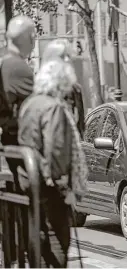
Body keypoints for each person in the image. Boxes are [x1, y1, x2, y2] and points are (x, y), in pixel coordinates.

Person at [17, 59, 89, 267]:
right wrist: (63, 186)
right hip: (48, 185)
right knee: (57, 236)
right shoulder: (53, 108)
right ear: (59, 84)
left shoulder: (30, 103)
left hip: (29, 181)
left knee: (39, 236)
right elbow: (55, 149)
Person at [0, 15, 35, 264]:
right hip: (18, 156)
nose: (35, 40)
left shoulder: (5, 62)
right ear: (25, 38)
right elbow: (40, 107)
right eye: (33, 35)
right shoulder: (17, 67)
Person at [41, 39, 85, 137]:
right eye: (61, 57)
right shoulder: (41, 93)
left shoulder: (76, 90)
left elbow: (80, 125)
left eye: (68, 56)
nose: (66, 60)